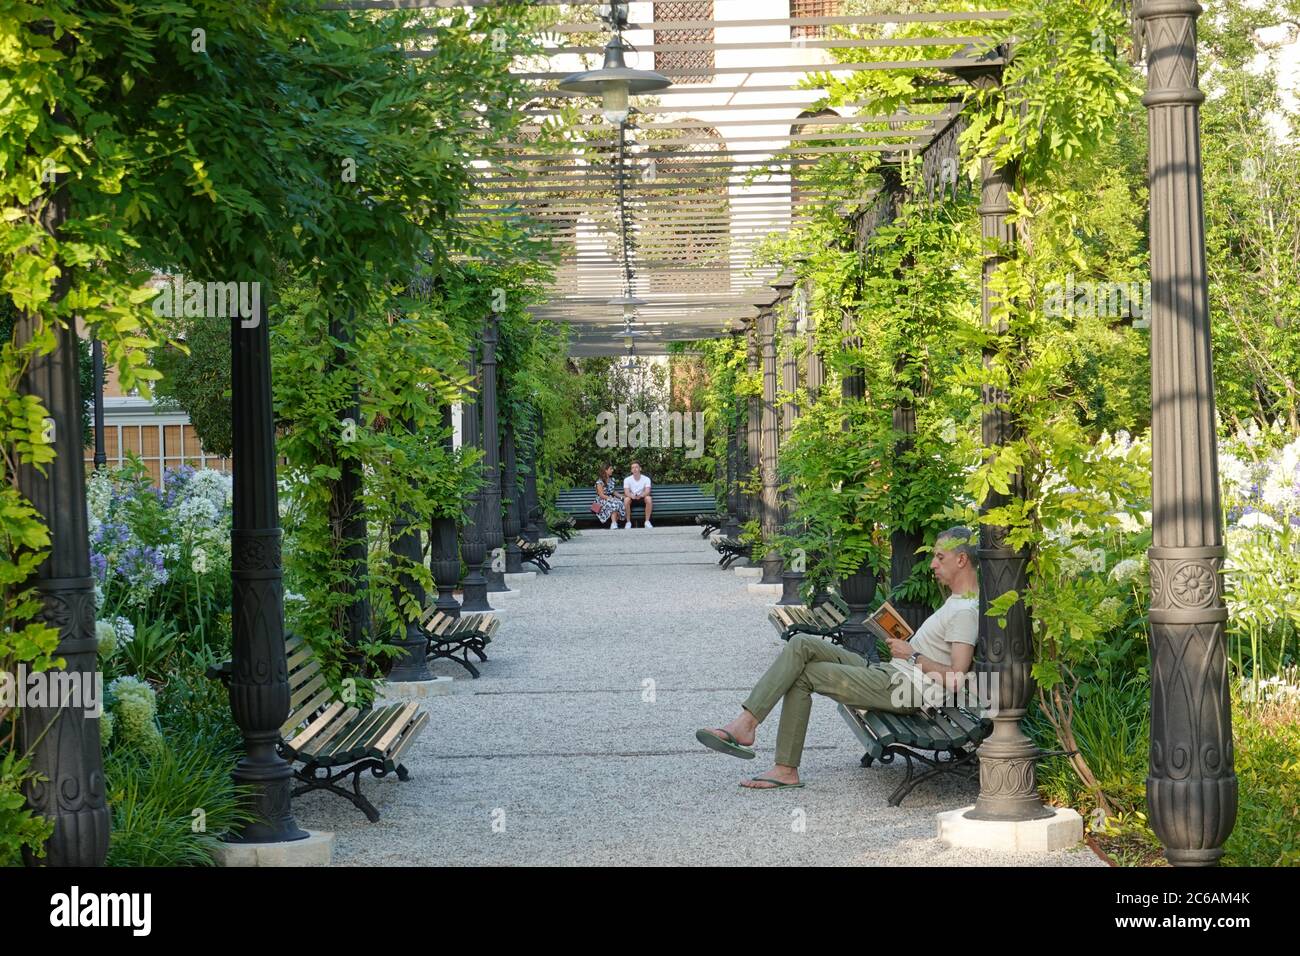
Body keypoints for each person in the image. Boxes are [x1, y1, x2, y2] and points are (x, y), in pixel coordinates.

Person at [694, 526, 980, 790]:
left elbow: (956, 678)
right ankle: (748, 723)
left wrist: (913, 654)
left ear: (961, 560)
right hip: (892, 674)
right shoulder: (957, 602)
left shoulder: (965, 612)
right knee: (802, 642)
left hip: (904, 690)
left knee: (804, 675)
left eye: (940, 557)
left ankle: (777, 761)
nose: (932, 564)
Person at [593, 463, 626, 529]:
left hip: (609, 498)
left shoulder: (612, 480)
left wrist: (621, 497)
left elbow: (612, 491)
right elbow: (601, 495)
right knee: (614, 503)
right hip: (601, 501)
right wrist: (612, 499)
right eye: (610, 469)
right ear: (605, 470)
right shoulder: (599, 482)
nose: (612, 470)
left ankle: (614, 523)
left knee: (619, 502)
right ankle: (613, 523)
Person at [622, 461, 653, 529]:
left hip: (642, 498)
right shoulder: (627, 479)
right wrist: (631, 496)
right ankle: (628, 522)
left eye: (636, 467)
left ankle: (647, 522)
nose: (634, 469)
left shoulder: (646, 479)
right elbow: (626, 492)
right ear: (631, 470)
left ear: (640, 469)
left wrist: (641, 495)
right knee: (626, 499)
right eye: (633, 468)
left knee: (649, 498)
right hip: (632, 499)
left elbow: (647, 491)